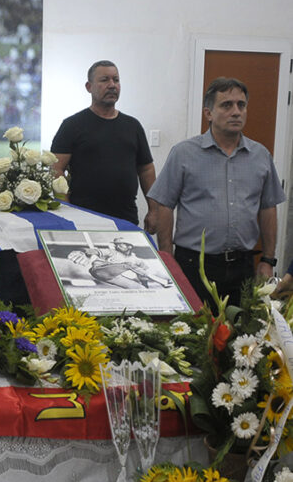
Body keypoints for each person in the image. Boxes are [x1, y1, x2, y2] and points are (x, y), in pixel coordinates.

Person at [148, 77, 285, 309]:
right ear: (208, 113)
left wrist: (268, 260)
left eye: (241, 105)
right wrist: (167, 259)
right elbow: (164, 205)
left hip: (243, 266)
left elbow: (268, 207)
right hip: (193, 265)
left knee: (242, 336)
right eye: (226, 105)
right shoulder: (183, 154)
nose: (236, 112)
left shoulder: (260, 156)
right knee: (194, 335)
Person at [51, 60, 157, 229]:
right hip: (84, 218)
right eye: (104, 80)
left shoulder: (133, 126)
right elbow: (55, 168)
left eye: (116, 80)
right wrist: (67, 209)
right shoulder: (72, 125)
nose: (112, 85)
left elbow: (146, 169)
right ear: (89, 86)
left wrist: (154, 210)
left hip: (126, 218)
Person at [67, 237, 172, 289]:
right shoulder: (111, 252)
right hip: (99, 270)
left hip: (113, 277)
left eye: (121, 244)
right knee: (128, 265)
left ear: (129, 246)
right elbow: (94, 251)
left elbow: (142, 275)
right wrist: (82, 251)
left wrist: (145, 288)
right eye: (117, 244)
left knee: (139, 289)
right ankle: (162, 282)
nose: (118, 246)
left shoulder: (135, 259)